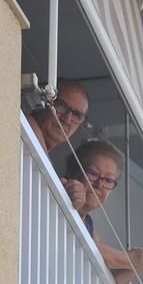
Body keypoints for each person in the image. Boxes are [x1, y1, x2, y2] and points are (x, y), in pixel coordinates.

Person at [64, 140, 143, 284]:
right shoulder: (63, 191)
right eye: (93, 174)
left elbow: (110, 277)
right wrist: (132, 258)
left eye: (109, 180)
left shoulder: (88, 223)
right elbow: (89, 248)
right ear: (75, 171)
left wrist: (141, 264)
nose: (99, 185)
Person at [26, 78, 89, 209]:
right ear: (44, 101)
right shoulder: (25, 127)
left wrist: (75, 195)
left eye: (77, 115)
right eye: (61, 106)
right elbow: (30, 123)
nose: (67, 119)